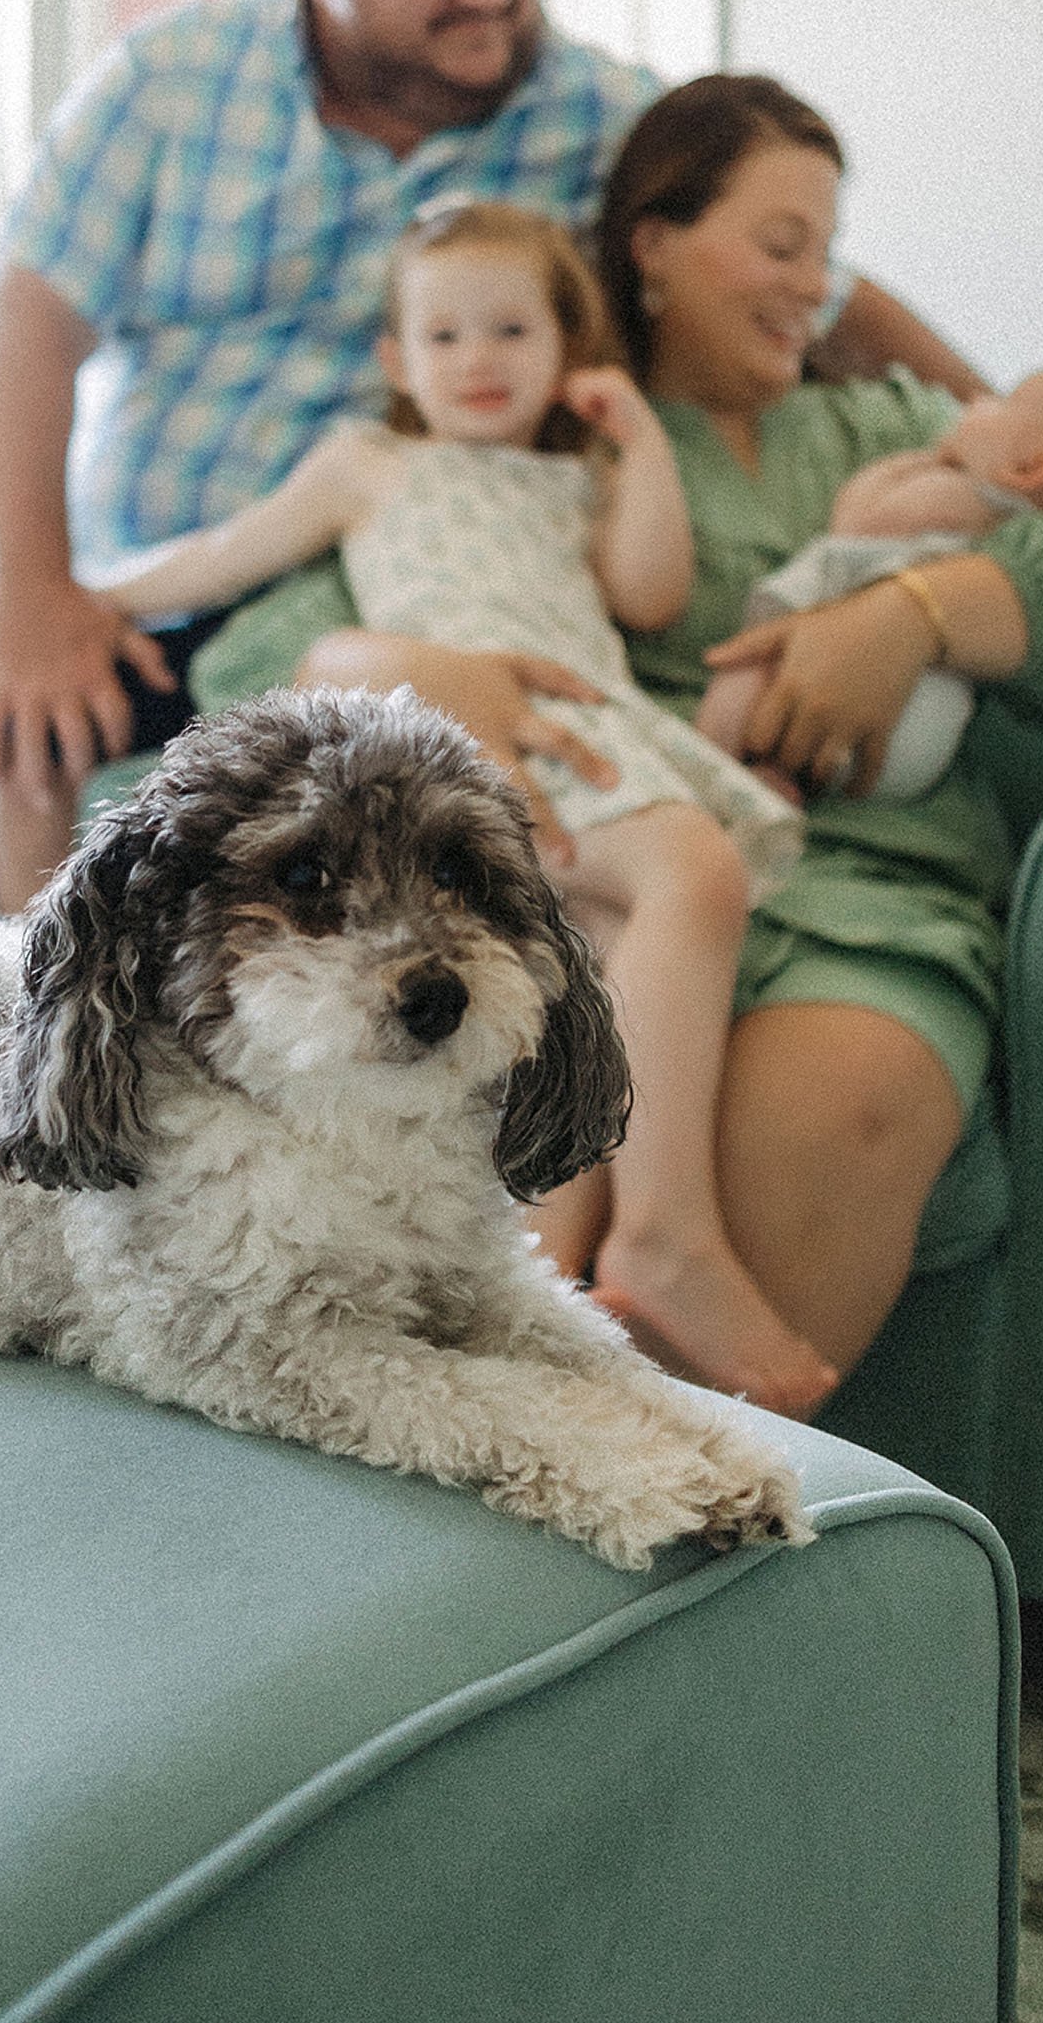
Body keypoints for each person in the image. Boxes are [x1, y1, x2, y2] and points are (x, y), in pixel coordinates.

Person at [0, 0, 983, 916]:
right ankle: (35, 1078)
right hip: (165, 578)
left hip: (399, 588)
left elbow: (809, 287)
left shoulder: (597, 115)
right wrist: (32, 589)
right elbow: (27, 322)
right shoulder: (169, 83)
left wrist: (1009, 425)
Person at [182, 73, 1043, 1387]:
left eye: (827, 250)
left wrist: (917, 614)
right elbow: (258, 649)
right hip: (624, 881)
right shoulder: (551, 428)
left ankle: (692, 1534)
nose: (816, 285)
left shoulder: (901, 431)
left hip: (865, 895)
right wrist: (387, 662)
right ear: (652, 245)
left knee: (822, 1119)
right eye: (780, 245)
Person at [74, 196, 829, 1415]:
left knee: (591, 968)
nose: (477, 360)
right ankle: (669, 1233)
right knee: (696, 872)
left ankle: (549, 1262)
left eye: (510, 330)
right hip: (458, 753)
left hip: (589, 725)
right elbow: (221, 555)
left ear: (561, 348)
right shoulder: (367, 464)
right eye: (444, 337)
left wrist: (636, 440)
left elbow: (650, 592)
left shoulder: (566, 474)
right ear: (395, 362)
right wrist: (77, 591)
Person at [695, 369, 1043, 801]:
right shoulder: (1012, 523)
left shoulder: (960, 494)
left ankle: (725, 784)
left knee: (735, 694)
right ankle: (777, 788)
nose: (975, 399)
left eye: (999, 401)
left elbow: (861, 518)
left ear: (1027, 468)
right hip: (927, 724)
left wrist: (923, 462)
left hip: (873, 699)